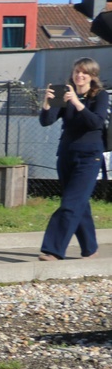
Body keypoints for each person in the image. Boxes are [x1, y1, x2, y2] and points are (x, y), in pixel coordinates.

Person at [38, 58, 110, 261]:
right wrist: (46, 103)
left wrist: (77, 103)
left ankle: (52, 250)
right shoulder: (64, 93)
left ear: (92, 76)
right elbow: (47, 121)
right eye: (77, 72)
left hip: (89, 157)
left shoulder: (100, 96)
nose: (79, 76)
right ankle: (90, 248)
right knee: (79, 203)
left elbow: (95, 122)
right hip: (67, 155)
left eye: (84, 73)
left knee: (71, 204)